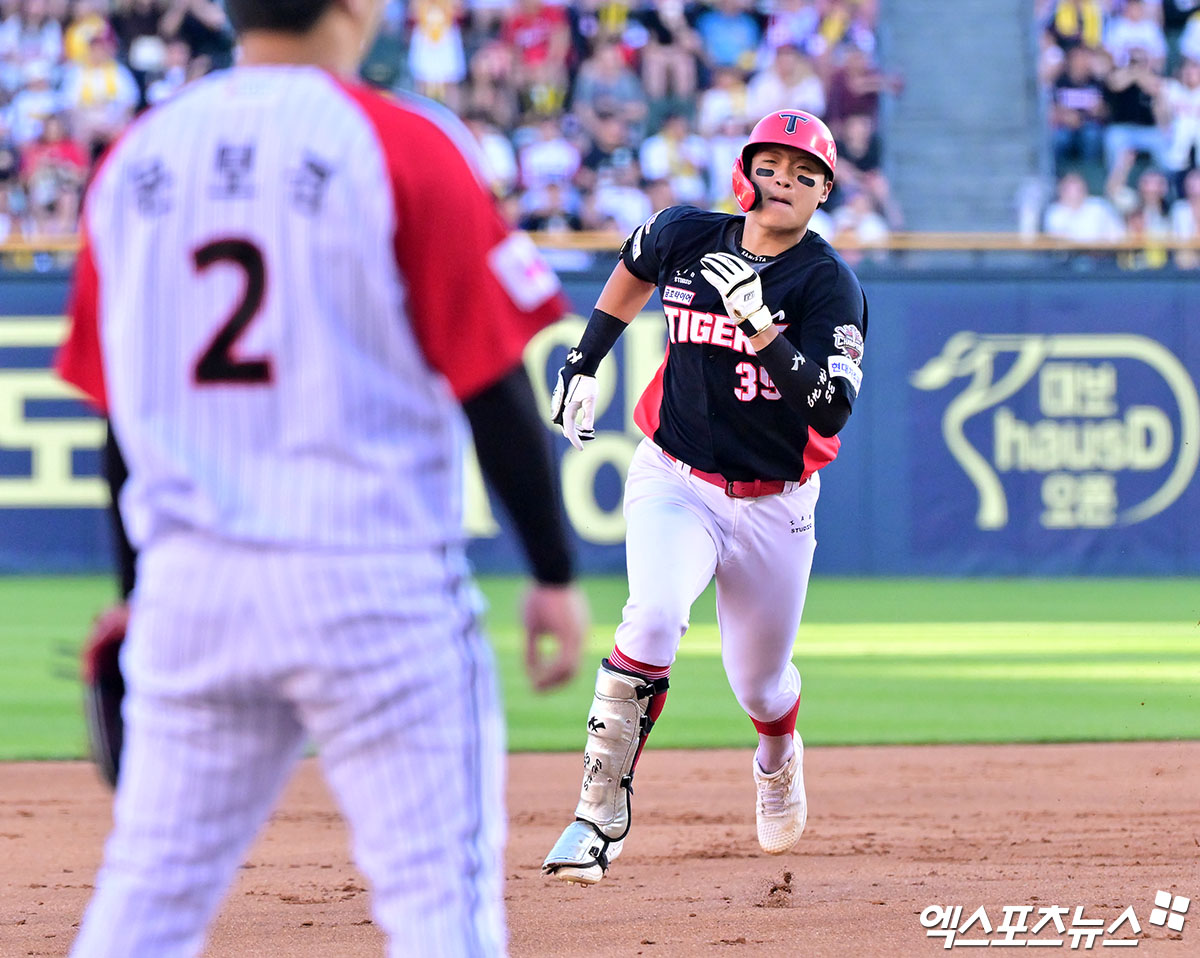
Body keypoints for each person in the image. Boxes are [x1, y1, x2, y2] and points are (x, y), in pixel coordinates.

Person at [54, 0, 588, 954]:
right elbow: (494, 388)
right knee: (439, 908)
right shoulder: (402, 143)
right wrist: (551, 571)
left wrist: (137, 596)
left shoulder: (137, 156)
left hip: (192, 592)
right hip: (372, 585)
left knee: (146, 901)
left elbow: (120, 423)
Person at [541, 109, 867, 885]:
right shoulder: (685, 234)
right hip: (675, 477)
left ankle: (778, 755)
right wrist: (585, 360)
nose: (785, 180)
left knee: (760, 684)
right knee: (651, 616)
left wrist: (760, 325)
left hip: (774, 502)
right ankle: (596, 814)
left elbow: (828, 409)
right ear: (745, 171)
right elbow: (632, 267)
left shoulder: (828, 284)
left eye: (806, 173)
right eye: (773, 165)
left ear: (824, 193)